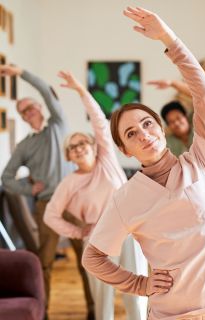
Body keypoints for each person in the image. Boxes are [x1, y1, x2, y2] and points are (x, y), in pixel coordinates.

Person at [82, 7, 205, 320]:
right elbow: (93, 257)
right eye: (132, 133)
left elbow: (204, 93)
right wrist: (139, 283)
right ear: (126, 150)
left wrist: (168, 39)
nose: (144, 135)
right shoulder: (125, 198)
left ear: (161, 128)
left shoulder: (201, 158)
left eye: (148, 124)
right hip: (174, 312)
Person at [44, 71, 147, 320]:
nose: (78, 148)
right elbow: (51, 215)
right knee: (102, 299)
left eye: (82, 143)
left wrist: (81, 91)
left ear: (93, 146)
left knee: (137, 293)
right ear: (69, 156)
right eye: (72, 147)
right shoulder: (69, 183)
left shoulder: (107, 162)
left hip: (129, 232)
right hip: (98, 238)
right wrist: (79, 232)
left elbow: (100, 121)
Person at [0, 65, 94, 318]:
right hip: (46, 206)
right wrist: (28, 188)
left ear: (40, 108)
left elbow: (46, 91)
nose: (29, 111)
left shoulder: (58, 125)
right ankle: (44, 312)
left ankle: (95, 311)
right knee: (45, 264)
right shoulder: (24, 146)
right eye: (23, 110)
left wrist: (20, 73)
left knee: (88, 261)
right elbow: (6, 178)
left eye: (32, 106)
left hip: (75, 204)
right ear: (21, 117)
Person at [148, 80, 205, 189]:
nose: (176, 123)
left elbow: (202, 98)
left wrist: (173, 84)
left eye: (178, 118)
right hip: (189, 191)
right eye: (171, 122)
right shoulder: (167, 142)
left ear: (185, 116)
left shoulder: (200, 129)